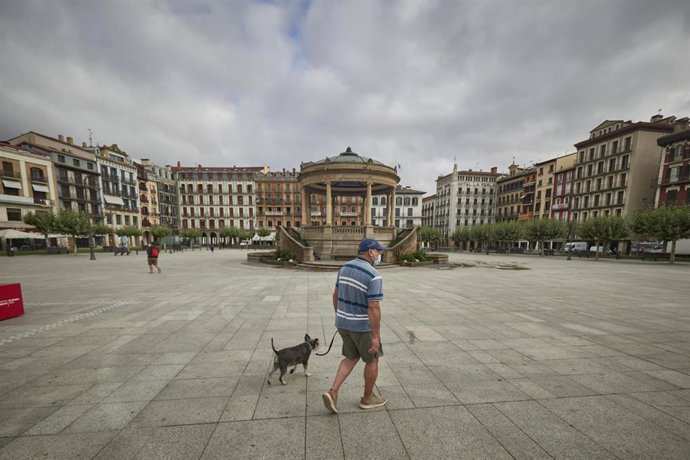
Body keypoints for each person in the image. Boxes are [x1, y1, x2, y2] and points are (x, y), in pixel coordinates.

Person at [322, 238, 388, 414]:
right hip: (361, 326)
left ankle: (333, 391)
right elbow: (373, 307)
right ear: (370, 252)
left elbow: (335, 295)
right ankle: (368, 399)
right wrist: (375, 336)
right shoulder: (373, 274)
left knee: (350, 357)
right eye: (379, 252)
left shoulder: (344, 268)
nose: (380, 255)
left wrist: (340, 316)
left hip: (343, 323)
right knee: (372, 359)